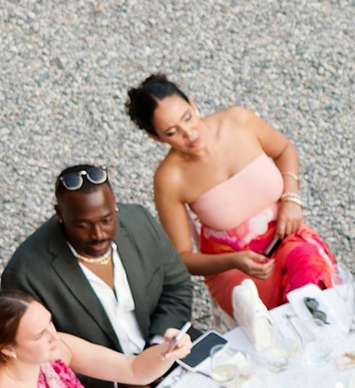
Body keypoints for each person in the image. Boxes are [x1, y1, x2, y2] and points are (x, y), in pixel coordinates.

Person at [0, 167, 204, 388]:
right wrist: (122, 377)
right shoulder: (26, 273)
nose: (98, 234)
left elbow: (176, 285)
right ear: (59, 215)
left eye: (107, 220)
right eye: (82, 225)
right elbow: (41, 358)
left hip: (164, 349)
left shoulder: (140, 222)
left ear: (115, 205)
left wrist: (158, 345)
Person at [127, 79, 340, 317]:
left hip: (288, 235)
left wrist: (291, 198)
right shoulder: (170, 178)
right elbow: (184, 258)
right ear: (156, 138)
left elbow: (284, 150)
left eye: (187, 117)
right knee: (267, 318)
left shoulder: (238, 120)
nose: (189, 133)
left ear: (193, 104)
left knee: (311, 277)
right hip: (234, 266)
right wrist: (236, 260)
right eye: (172, 132)